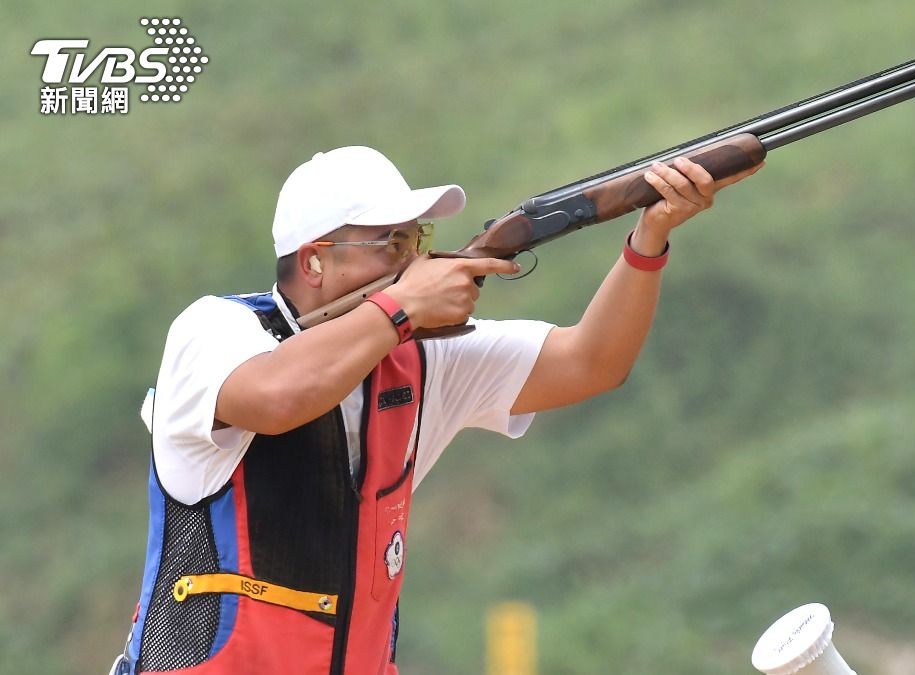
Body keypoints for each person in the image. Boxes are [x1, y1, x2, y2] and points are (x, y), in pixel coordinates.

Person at [110, 145, 760, 675]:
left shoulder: (419, 358)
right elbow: (280, 397)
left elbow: (592, 362)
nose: (413, 259)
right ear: (313, 259)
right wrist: (400, 309)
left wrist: (649, 239)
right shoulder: (215, 332)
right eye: (389, 241)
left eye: (415, 238)